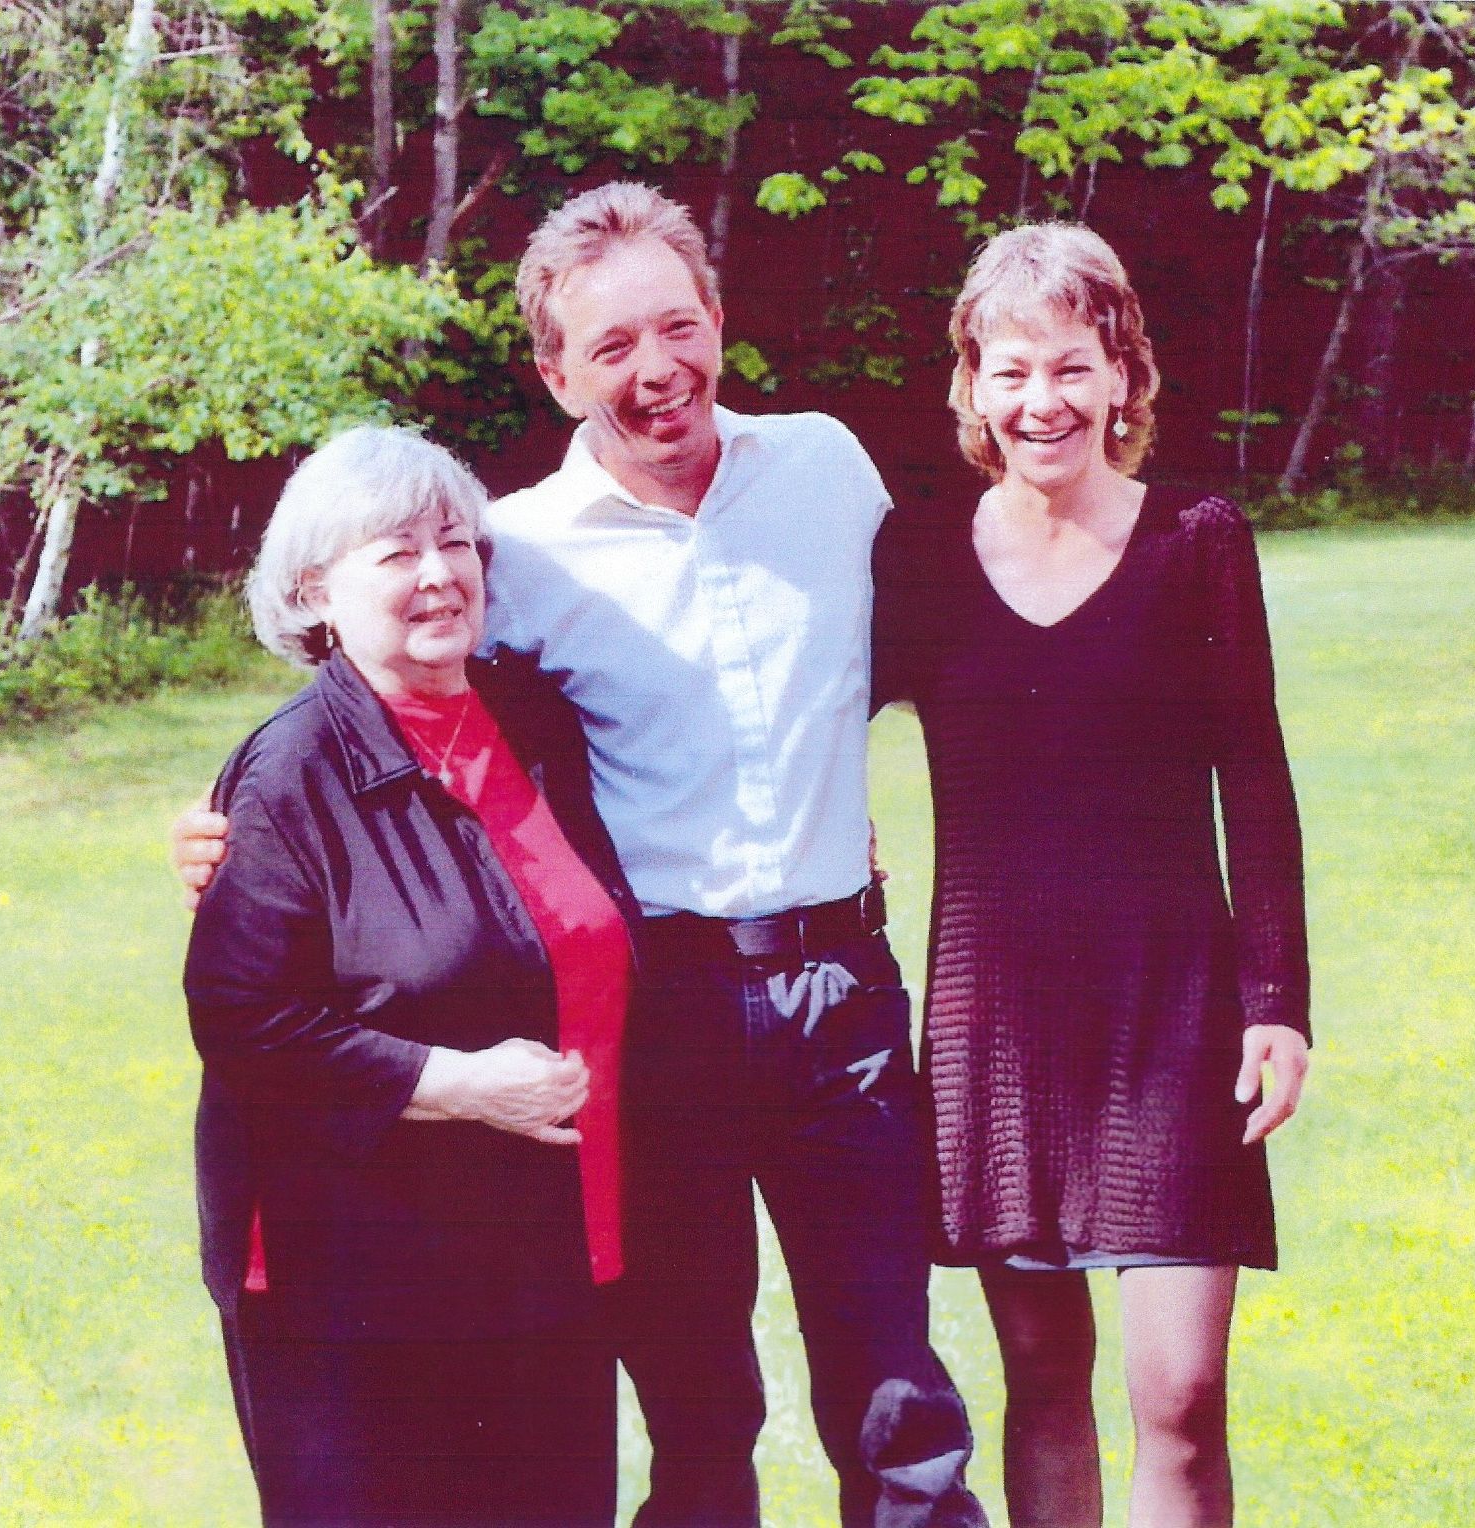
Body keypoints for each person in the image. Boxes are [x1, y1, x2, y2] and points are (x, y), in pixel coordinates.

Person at [179, 183, 985, 1528]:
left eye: (679, 327)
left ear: (719, 318)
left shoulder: (832, 470)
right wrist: (233, 825)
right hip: (656, 1014)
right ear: (556, 372)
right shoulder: (523, 551)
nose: (657, 369)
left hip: (841, 991)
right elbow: (395, 712)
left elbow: (943, 656)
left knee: (895, 1390)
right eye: (611, 347)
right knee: (693, 1401)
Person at [872, 223, 1311, 1528]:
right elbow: (791, 728)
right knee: (1042, 1378)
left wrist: (1278, 1002)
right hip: (996, 1025)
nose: (1041, 402)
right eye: (1010, 372)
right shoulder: (922, 559)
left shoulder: (1197, 540)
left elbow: (1260, 784)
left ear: (1122, 372)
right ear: (971, 386)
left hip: (1173, 1016)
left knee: (1179, 1395)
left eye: (1070, 367)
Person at [184, 425, 631, 1526]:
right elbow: (243, 1018)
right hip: (356, 1275)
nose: (439, 574)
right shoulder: (288, 770)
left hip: (544, 1249)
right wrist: (455, 1082)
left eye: (454, 542)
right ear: (315, 591)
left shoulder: (532, 722)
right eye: (395, 552)